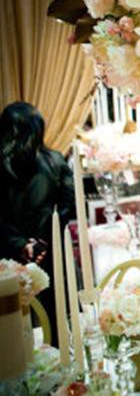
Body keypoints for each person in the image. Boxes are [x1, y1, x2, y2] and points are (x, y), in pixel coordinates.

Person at [0, 102, 76, 346]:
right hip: (50, 253)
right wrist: (42, 242)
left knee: (11, 329)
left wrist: (22, 244)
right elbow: (69, 205)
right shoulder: (55, 160)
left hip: (6, 255)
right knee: (57, 322)